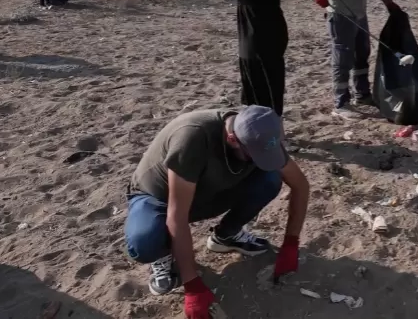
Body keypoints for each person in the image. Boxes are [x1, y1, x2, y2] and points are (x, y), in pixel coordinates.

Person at [123, 106, 309, 319]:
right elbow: (177, 216)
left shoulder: (260, 132)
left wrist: (291, 244)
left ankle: (226, 235)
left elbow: (300, 185)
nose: (261, 158)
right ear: (232, 139)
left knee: (270, 179)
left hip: (207, 190)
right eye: (254, 155)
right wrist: (192, 285)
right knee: (144, 242)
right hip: (160, 198)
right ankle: (164, 254)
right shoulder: (193, 138)